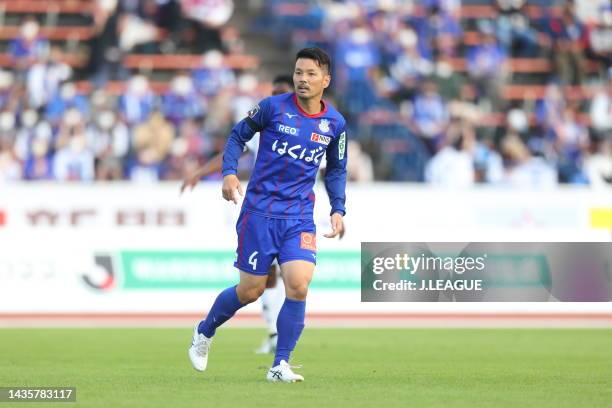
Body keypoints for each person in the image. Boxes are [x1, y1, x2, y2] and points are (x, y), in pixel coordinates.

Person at [187, 47, 347, 382]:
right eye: (298, 72)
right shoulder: (272, 108)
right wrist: (229, 173)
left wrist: (338, 208)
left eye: (311, 74)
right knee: (251, 290)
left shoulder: (335, 124)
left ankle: (280, 364)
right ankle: (204, 332)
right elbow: (236, 137)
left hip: (299, 216)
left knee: (299, 285)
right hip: (259, 213)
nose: (302, 79)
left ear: (326, 80)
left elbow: (336, 170)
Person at [181, 74, 294, 354]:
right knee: (264, 276)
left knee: (291, 273)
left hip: (296, 208)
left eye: (283, 92)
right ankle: (273, 331)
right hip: (264, 208)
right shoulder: (266, 125)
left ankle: (278, 336)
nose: (278, 97)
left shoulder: (312, 125)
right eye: (275, 91)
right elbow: (234, 151)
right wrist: (201, 172)